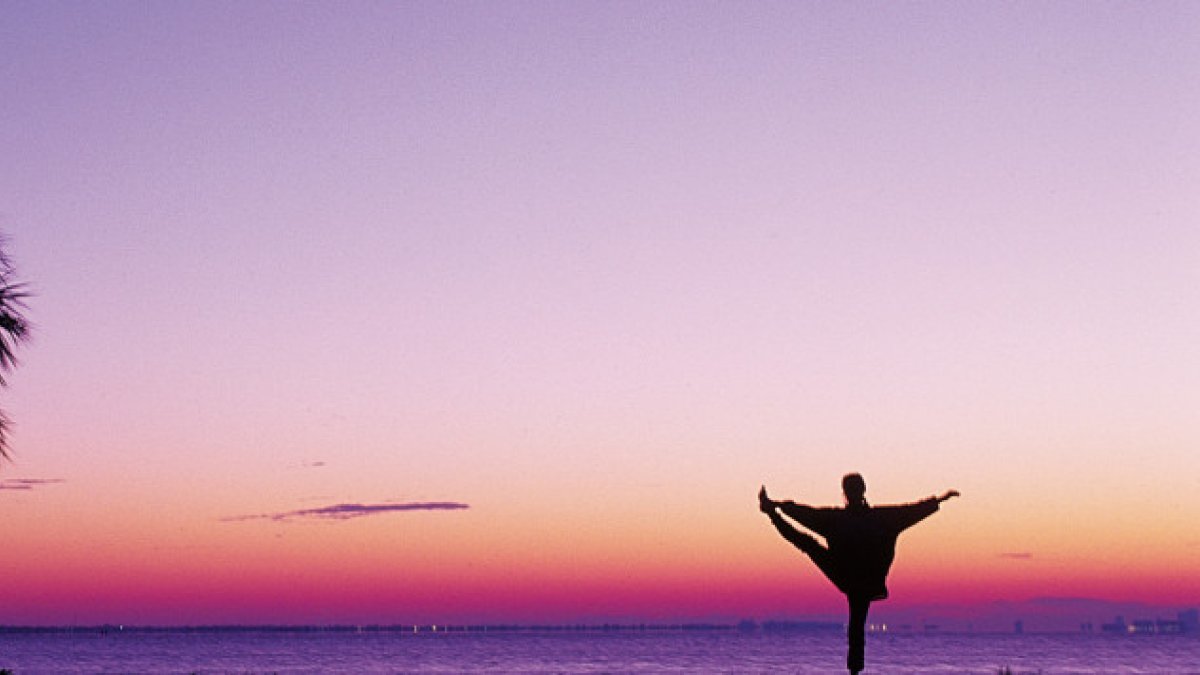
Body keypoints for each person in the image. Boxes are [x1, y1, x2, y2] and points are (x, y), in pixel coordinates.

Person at [759, 474, 958, 674]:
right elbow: (807, 514)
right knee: (855, 620)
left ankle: (854, 670)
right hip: (855, 577)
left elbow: (911, 511)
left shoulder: (855, 519)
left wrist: (778, 507)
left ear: (848, 493)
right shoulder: (866, 519)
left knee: (809, 546)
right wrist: (779, 506)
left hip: (855, 578)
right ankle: (854, 670)